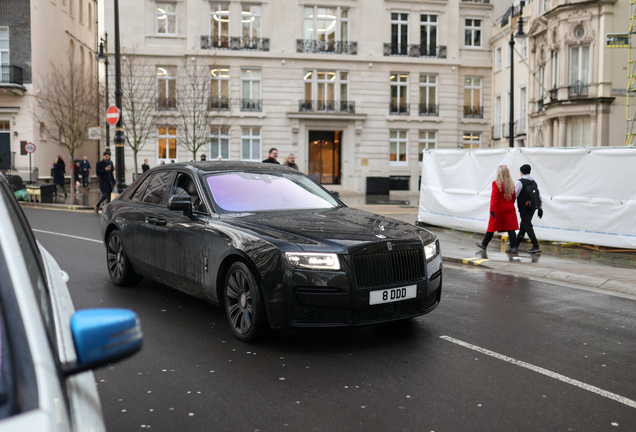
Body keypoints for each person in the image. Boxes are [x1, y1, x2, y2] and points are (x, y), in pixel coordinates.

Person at [476, 165, 519, 253]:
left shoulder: (496, 183)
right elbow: (514, 197)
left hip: (499, 208)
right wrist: (510, 204)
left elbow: (494, 197)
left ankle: (484, 244)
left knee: (492, 227)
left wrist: (492, 209)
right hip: (509, 207)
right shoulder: (511, 184)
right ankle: (514, 247)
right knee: (511, 229)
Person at [515, 164, 543, 253]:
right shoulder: (533, 182)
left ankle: (536, 245)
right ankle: (515, 245)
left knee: (527, 225)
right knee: (524, 224)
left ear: (521, 172)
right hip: (533, 207)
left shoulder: (520, 182)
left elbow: (515, 194)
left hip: (524, 207)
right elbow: (538, 195)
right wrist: (540, 207)